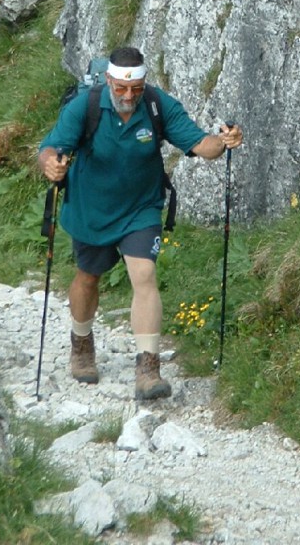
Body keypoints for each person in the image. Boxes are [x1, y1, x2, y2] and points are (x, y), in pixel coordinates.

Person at [38, 46, 244, 400]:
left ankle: (149, 368)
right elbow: (51, 147)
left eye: (135, 88)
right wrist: (51, 165)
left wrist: (225, 142)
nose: (128, 96)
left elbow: (199, 144)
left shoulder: (157, 105)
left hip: (141, 208)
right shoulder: (85, 107)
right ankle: (82, 342)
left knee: (144, 275)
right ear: (108, 81)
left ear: (144, 82)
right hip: (92, 208)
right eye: (120, 88)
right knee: (88, 278)